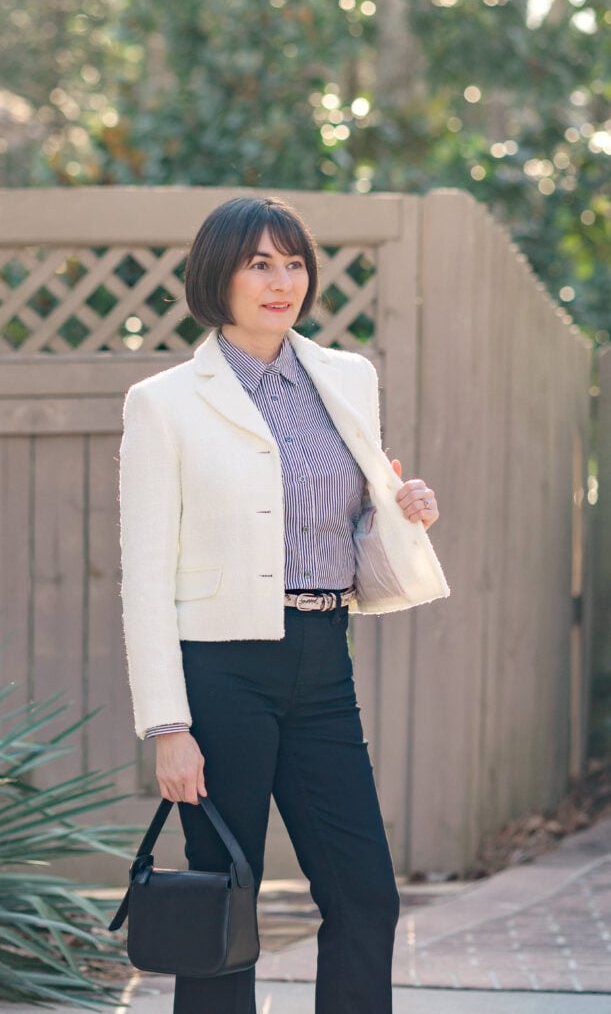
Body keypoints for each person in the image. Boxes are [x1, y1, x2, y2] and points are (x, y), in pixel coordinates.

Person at [119, 196, 449, 1014]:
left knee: (365, 896)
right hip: (221, 673)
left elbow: (341, 519)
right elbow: (144, 574)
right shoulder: (164, 401)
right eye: (258, 263)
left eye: (293, 261)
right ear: (217, 276)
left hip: (321, 659)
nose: (281, 281)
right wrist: (167, 726)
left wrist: (399, 508)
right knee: (223, 907)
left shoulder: (346, 377)